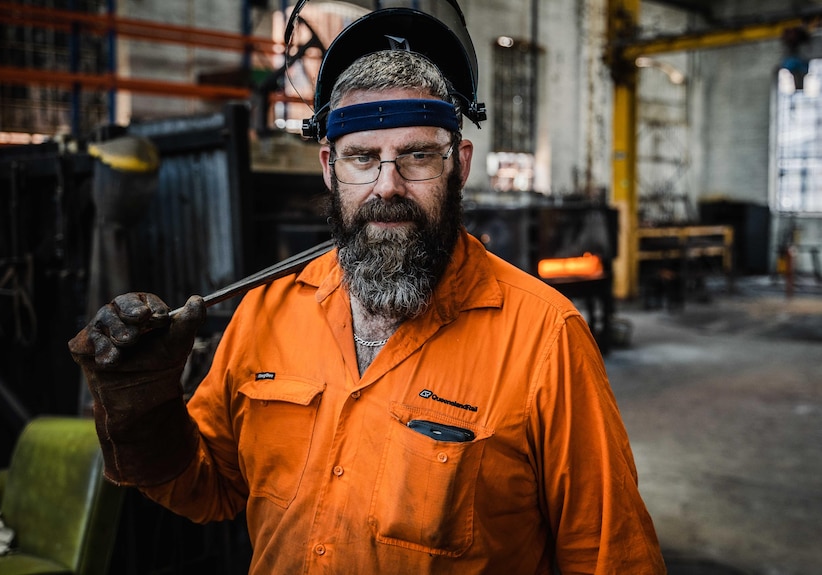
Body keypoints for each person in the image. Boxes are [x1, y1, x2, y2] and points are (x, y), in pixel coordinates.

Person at [69, 13, 667, 575]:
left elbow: (610, 554)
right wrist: (145, 410)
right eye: (362, 158)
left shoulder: (545, 338)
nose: (388, 186)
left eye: (417, 157)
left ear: (458, 165)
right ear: (330, 167)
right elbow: (212, 488)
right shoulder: (266, 313)